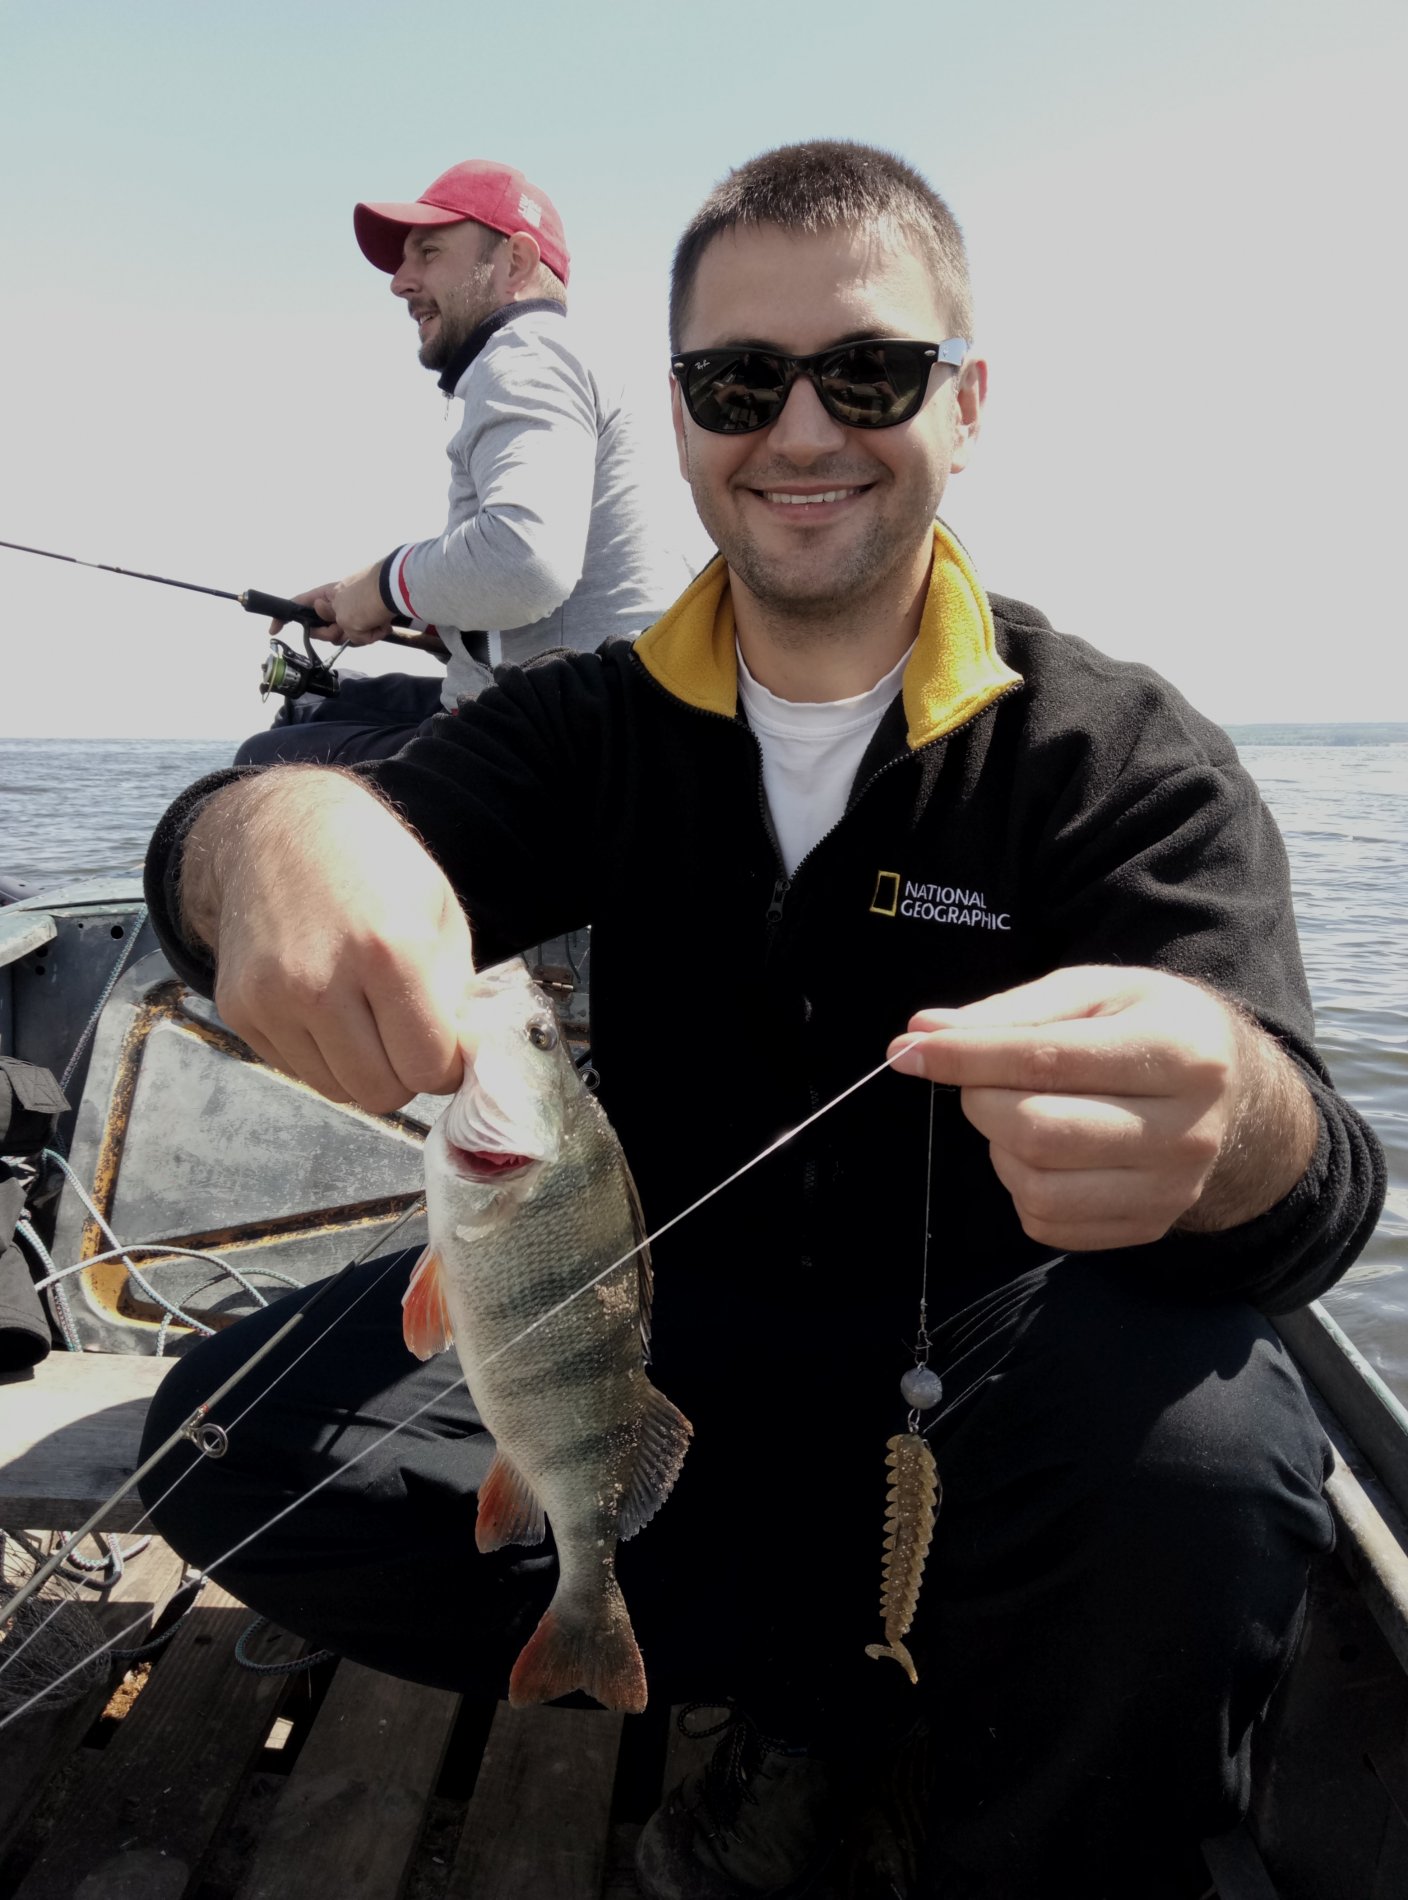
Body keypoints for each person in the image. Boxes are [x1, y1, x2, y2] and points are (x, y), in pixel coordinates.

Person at [140, 140, 1385, 1898]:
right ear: (679, 416)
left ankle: (1001, 1794)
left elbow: (1318, 1199)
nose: (801, 431)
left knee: (1212, 1458)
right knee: (224, 1437)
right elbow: (259, 847)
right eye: (739, 382)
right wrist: (269, 840)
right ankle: (823, 1700)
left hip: (979, 1393)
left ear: (965, 405)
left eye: (868, 373)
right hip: (659, 1350)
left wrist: (1238, 1124)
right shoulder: (584, 728)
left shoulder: (1113, 761)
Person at [236, 158, 683, 765]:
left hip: (562, 744)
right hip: (605, 710)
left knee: (262, 767)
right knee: (306, 706)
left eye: (429, 253)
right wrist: (408, 611)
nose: (400, 282)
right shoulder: (582, 359)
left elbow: (526, 563)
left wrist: (383, 586)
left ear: (515, 263)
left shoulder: (525, 352)